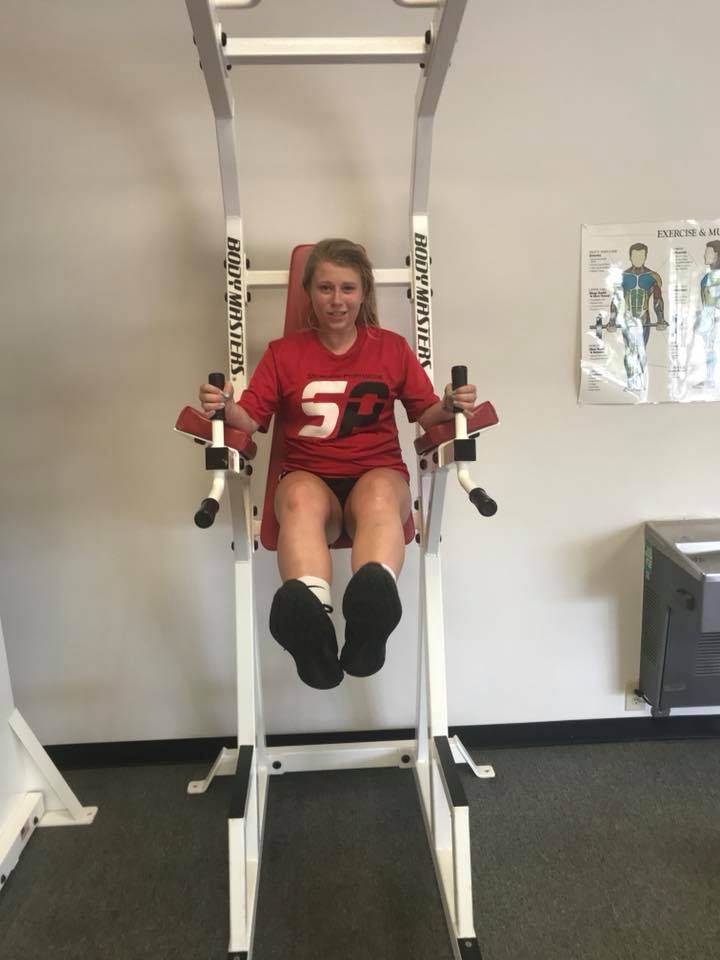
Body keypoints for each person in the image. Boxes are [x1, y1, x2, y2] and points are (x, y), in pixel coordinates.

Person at [199, 239, 477, 690]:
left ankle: (370, 624)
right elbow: (249, 419)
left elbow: (426, 413)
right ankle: (315, 634)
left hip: (377, 474)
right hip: (312, 481)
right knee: (298, 496)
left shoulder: (391, 348)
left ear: (364, 292)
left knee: (380, 496)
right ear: (308, 292)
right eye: (325, 287)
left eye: (347, 288)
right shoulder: (282, 354)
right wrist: (225, 406)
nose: (337, 300)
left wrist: (449, 403)